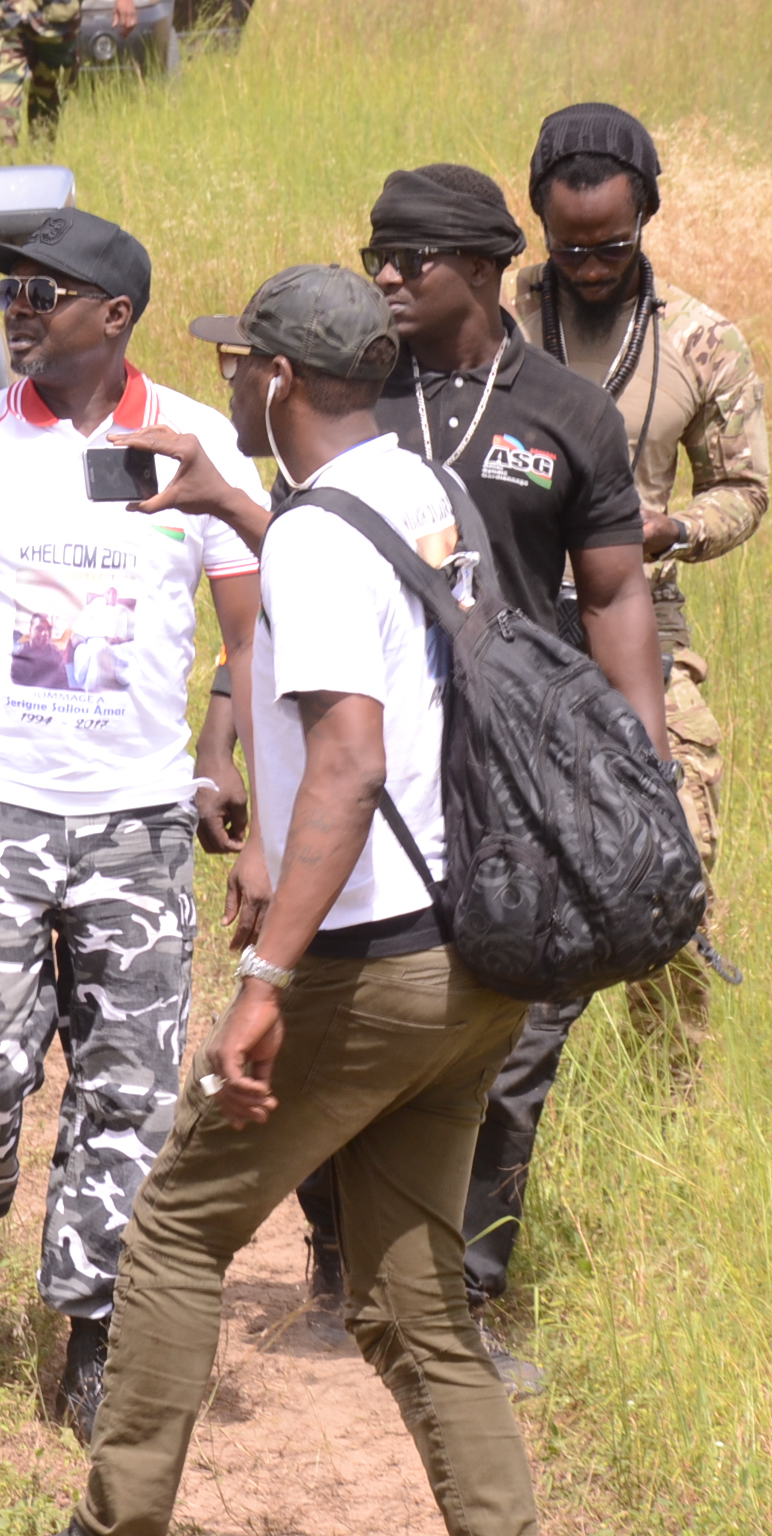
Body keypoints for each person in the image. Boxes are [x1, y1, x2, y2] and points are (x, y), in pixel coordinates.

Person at [60, 263, 538, 1536]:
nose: (228, 383)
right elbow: (373, 606)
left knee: (172, 1235)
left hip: (369, 959)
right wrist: (237, 502)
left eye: (236, 365)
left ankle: (112, 1523)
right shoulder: (414, 493)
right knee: (416, 1299)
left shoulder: (325, 531)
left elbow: (347, 760)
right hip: (471, 957)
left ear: (277, 378)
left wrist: (265, 979)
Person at [0, 210, 263, 1438]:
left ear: (116, 313)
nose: (16, 310)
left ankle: (91, 1336)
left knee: (127, 1094)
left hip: (136, 827)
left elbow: (255, 635)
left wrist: (224, 760)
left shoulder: (197, 442)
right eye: (10, 293)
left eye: (42, 291)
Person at [290, 162, 671, 1383]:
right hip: (381, 771)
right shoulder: (354, 398)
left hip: (521, 781)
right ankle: (339, 1262)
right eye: (378, 255)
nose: (388, 276)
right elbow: (288, 580)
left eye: (413, 258)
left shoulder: (565, 411)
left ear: (487, 264)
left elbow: (612, 592)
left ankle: (464, 1301)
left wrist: (642, 761)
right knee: (345, 1023)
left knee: (516, 1039)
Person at [514, 104, 764, 1077]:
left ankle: (671, 1102)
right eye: (566, 246)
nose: (586, 266)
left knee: (677, 871)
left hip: (645, 630)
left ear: (646, 219)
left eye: (609, 246)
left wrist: (678, 530)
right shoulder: (493, 319)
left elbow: (747, 488)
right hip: (515, 626)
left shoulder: (703, 341)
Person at [0, 0, 131, 150]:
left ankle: (41, 170)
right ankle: (1, 175)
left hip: (58, 22)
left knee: (46, 121)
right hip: (6, 20)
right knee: (1, 122)